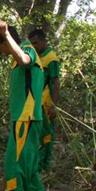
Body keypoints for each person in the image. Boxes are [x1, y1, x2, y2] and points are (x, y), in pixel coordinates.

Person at [0, 20, 47, 191]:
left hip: (26, 119)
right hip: (27, 120)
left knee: (13, 167)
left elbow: (24, 60)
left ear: (5, 42)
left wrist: (5, 34)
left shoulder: (26, 49)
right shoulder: (17, 58)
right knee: (28, 168)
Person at [28, 29, 61, 172]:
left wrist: (54, 105)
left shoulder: (51, 58)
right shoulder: (35, 56)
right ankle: (36, 164)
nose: (33, 46)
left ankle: (44, 166)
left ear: (44, 41)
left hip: (45, 103)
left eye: (36, 43)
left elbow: (55, 82)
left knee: (46, 135)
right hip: (34, 102)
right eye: (31, 44)